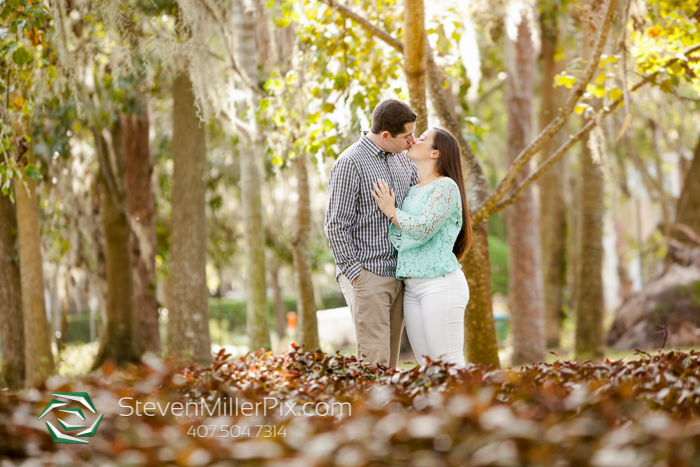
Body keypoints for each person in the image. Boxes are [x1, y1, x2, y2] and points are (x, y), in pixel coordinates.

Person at [324, 99, 418, 367]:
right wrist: (355, 274)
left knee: (389, 361)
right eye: (407, 135)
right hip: (368, 275)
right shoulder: (350, 162)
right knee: (373, 361)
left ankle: (385, 410)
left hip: (399, 273)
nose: (412, 140)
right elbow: (335, 224)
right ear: (386, 135)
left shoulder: (403, 160)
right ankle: (365, 409)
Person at [371, 128, 472, 368]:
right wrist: (404, 223)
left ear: (435, 153)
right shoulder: (414, 191)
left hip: (440, 285)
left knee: (448, 364)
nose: (414, 140)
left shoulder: (446, 187)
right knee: (427, 366)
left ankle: (471, 406)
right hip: (412, 286)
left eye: (423, 139)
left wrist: (391, 210)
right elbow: (400, 235)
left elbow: (422, 229)